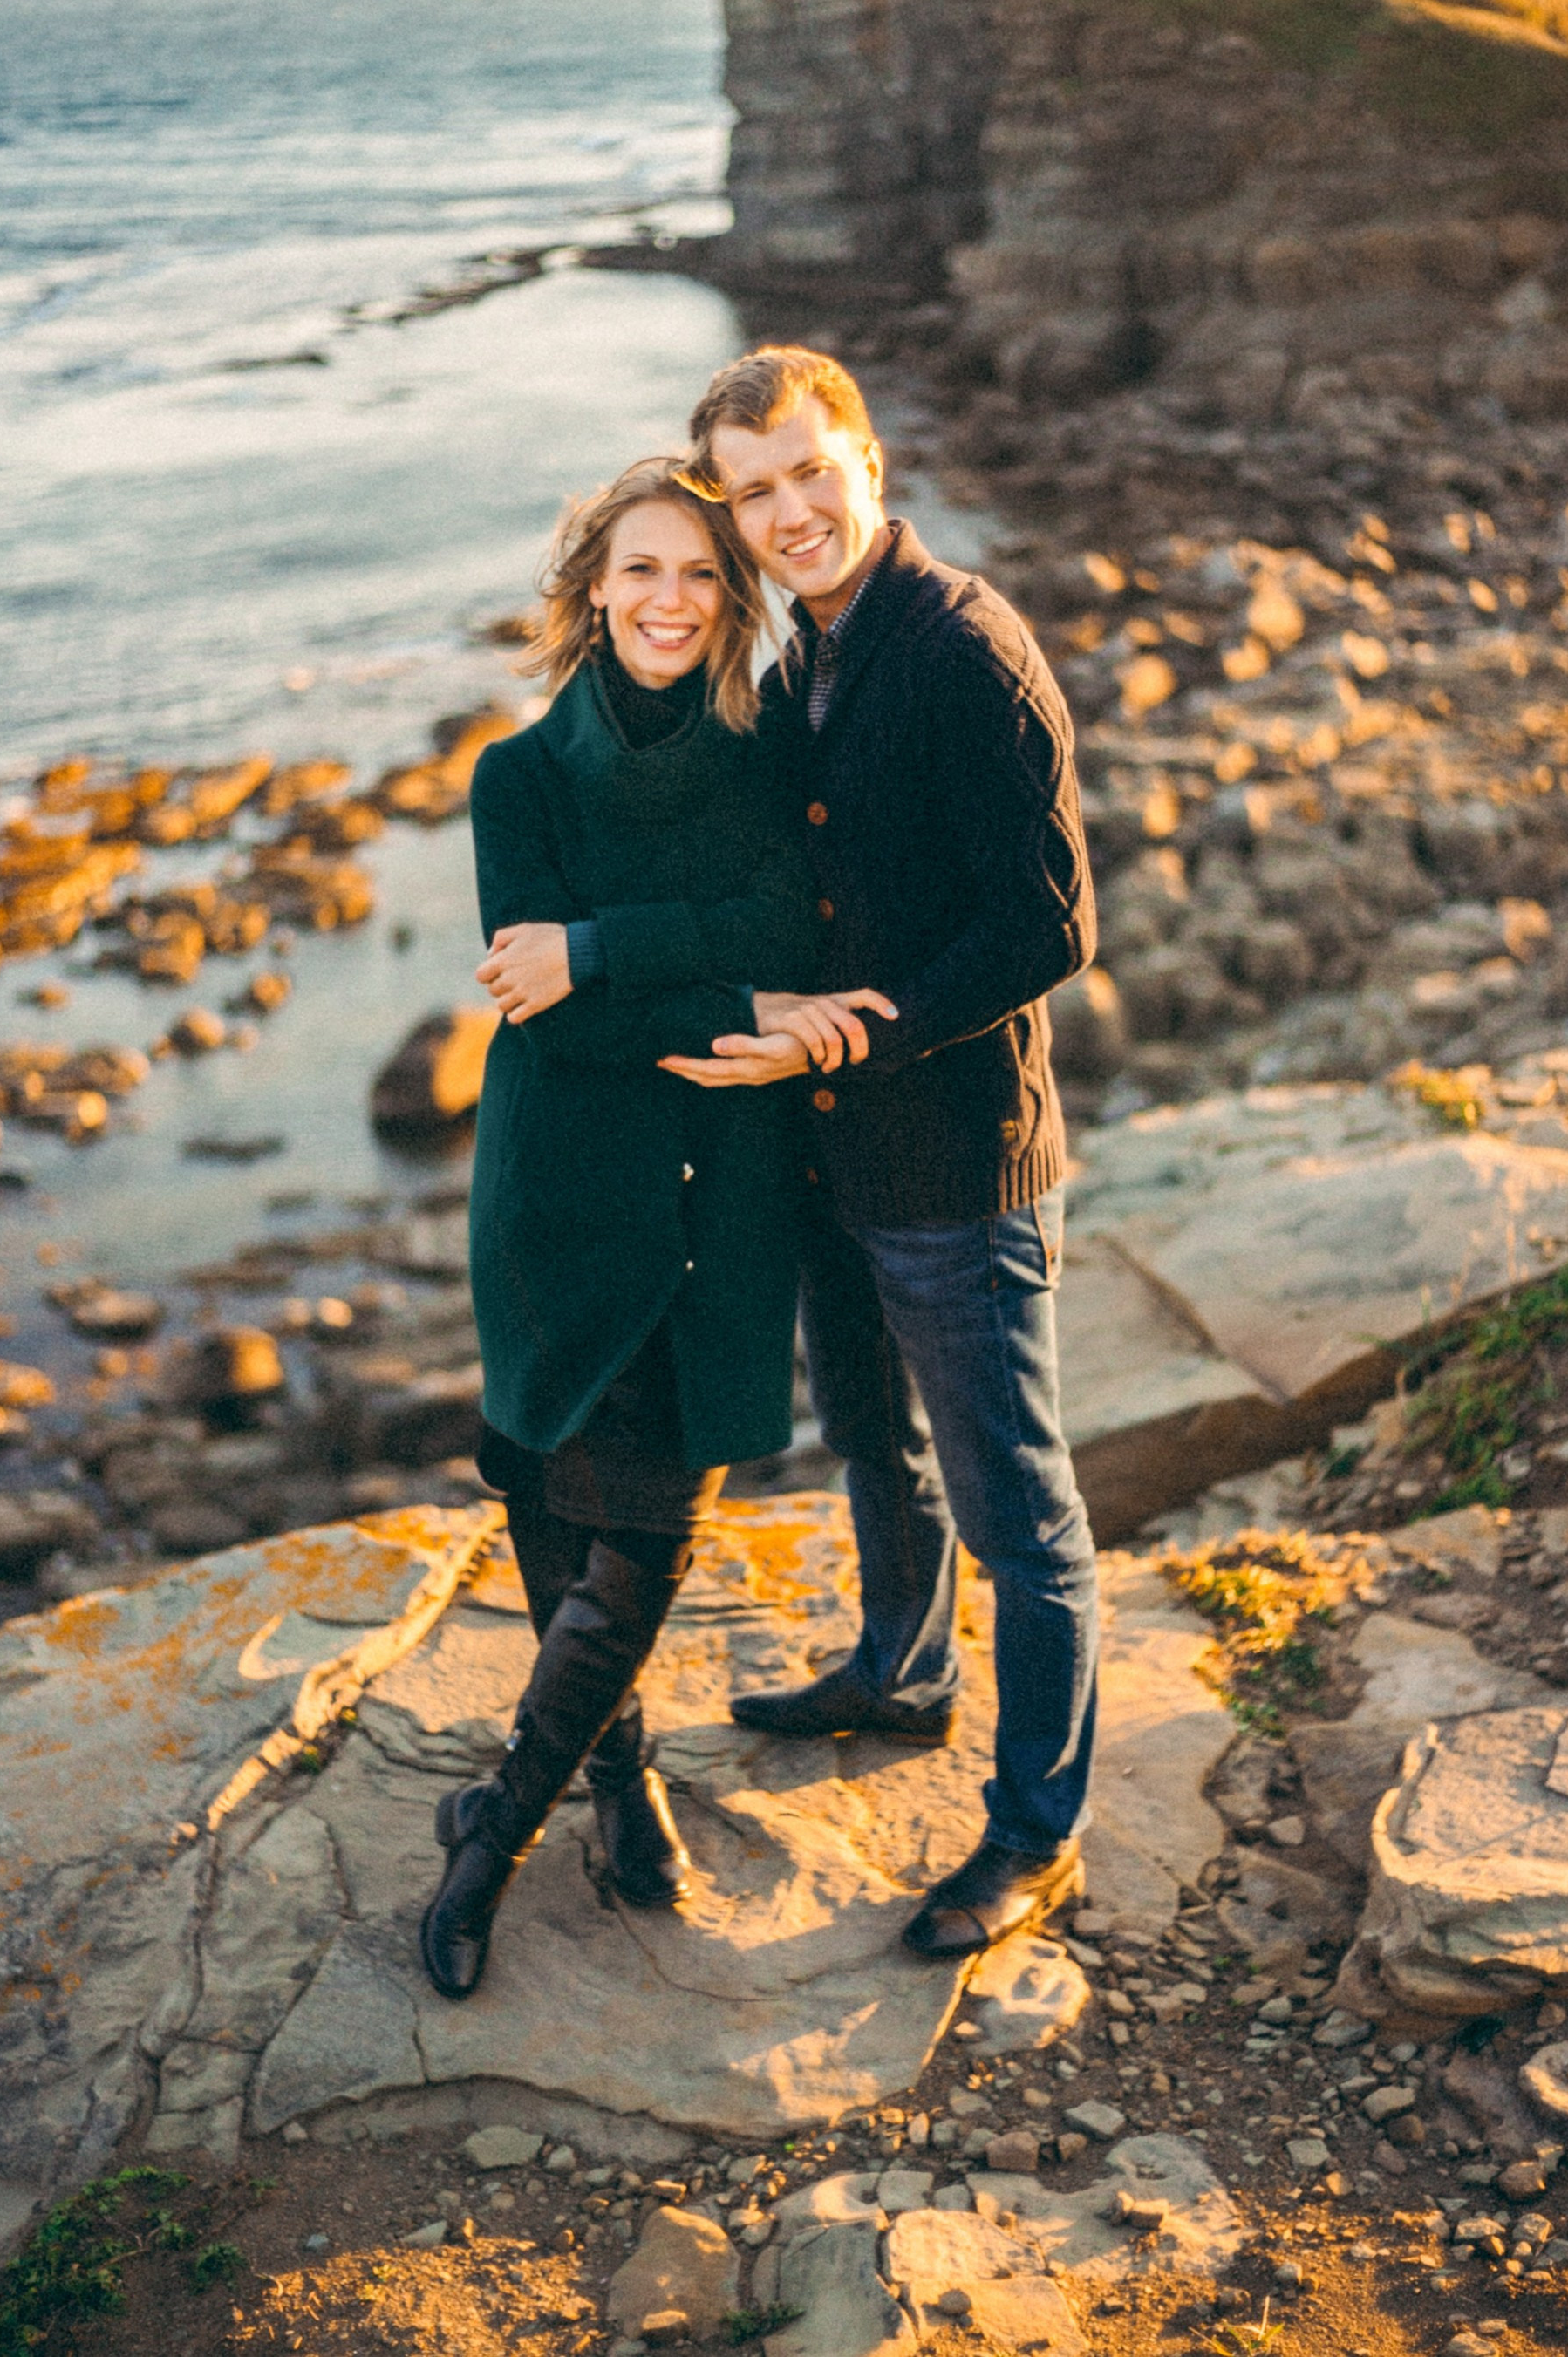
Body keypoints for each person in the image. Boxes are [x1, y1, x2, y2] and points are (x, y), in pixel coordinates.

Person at [663, 346, 1101, 1960]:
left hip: (955, 1155)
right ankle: (900, 1678)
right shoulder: (804, 654)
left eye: (805, 472)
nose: (787, 513)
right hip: (833, 1157)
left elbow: (1054, 923)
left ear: (865, 453)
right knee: (872, 1442)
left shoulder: (964, 645)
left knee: (1019, 1512)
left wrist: (863, 1022)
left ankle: (1036, 1831)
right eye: (752, 490)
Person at [419, 454, 869, 2003]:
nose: (669, 599)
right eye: (639, 572)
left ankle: (491, 1831)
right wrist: (732, 996)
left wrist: (605, 946)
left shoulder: (760, 765)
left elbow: (791, 926)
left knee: (657, 1530)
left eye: (697, 573)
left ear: (730, 596)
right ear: (591, 592)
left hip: (726, 1203)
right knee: (555, 1495)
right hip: (559, 1194)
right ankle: (614, 1792)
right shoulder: (518, 778)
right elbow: (554, 1026)